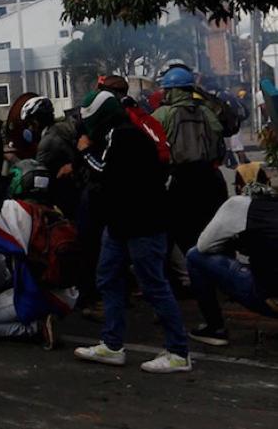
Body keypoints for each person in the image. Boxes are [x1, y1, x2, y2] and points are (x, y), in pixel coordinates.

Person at [72, 90, 192, 373]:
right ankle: (112, 345)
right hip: (122, 224)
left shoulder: (123, 137)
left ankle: (178, 352)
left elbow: (105, 172)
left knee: (153, 285)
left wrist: (85, 151)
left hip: (142, 224)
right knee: (108, 277)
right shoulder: (122, 134)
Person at [0, 160, 78, 348]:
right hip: (67, 293)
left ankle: (37, 328)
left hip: (42, 292)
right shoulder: (56, 211)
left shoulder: (16, 210)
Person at [185, 165, 278, 346]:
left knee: (194, 257)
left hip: (269, 298)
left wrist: (234, 241)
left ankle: (215, 328)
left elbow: (204, 246)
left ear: (238, 186)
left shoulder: (238, 204)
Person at [152, 63, 228, 257]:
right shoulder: (207, 112)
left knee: (182, 236)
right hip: (211, 180)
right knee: (212, 233)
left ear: (173, 91)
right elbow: (219, 134)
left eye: (167, 90)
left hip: (181, 182)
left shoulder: (163, 115)